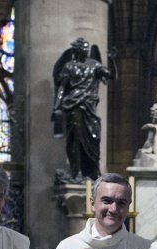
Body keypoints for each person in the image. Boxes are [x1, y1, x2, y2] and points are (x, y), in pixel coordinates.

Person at [51, 38, 116, 183]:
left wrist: (112, 60)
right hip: (73, 106)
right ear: (76, 49)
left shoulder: (94, 65)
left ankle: (93, 171)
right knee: (75, 139)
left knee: (94, 138)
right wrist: (57, 107)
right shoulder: (69, 66)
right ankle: (76, 171)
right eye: (83, 48)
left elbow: (111, 76)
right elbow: (62, 87)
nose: (85, 50)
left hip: (89, 106)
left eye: (87, 48)